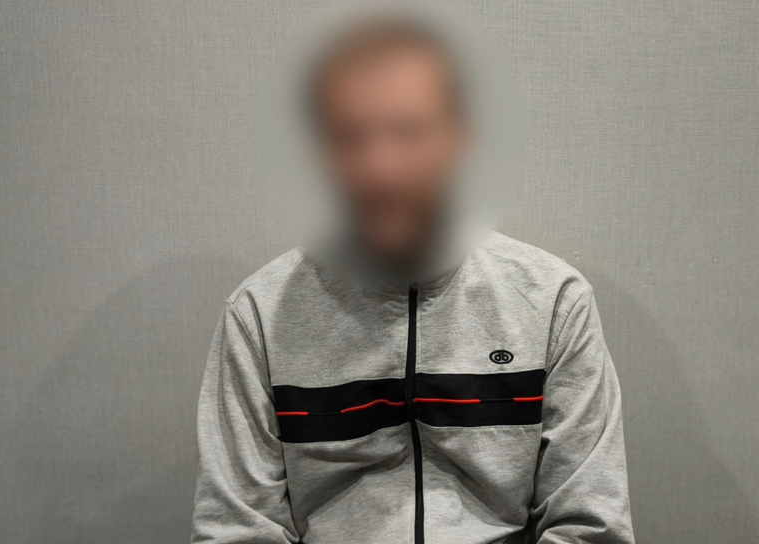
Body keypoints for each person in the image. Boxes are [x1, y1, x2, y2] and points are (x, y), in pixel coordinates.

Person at [191, 14, 633, 544]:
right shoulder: (259, 316)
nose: (381, 169)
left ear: (459, 138)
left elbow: (589, 525)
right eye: (350, 137)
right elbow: (237, 529)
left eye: (409, 132)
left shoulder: (553, 303)